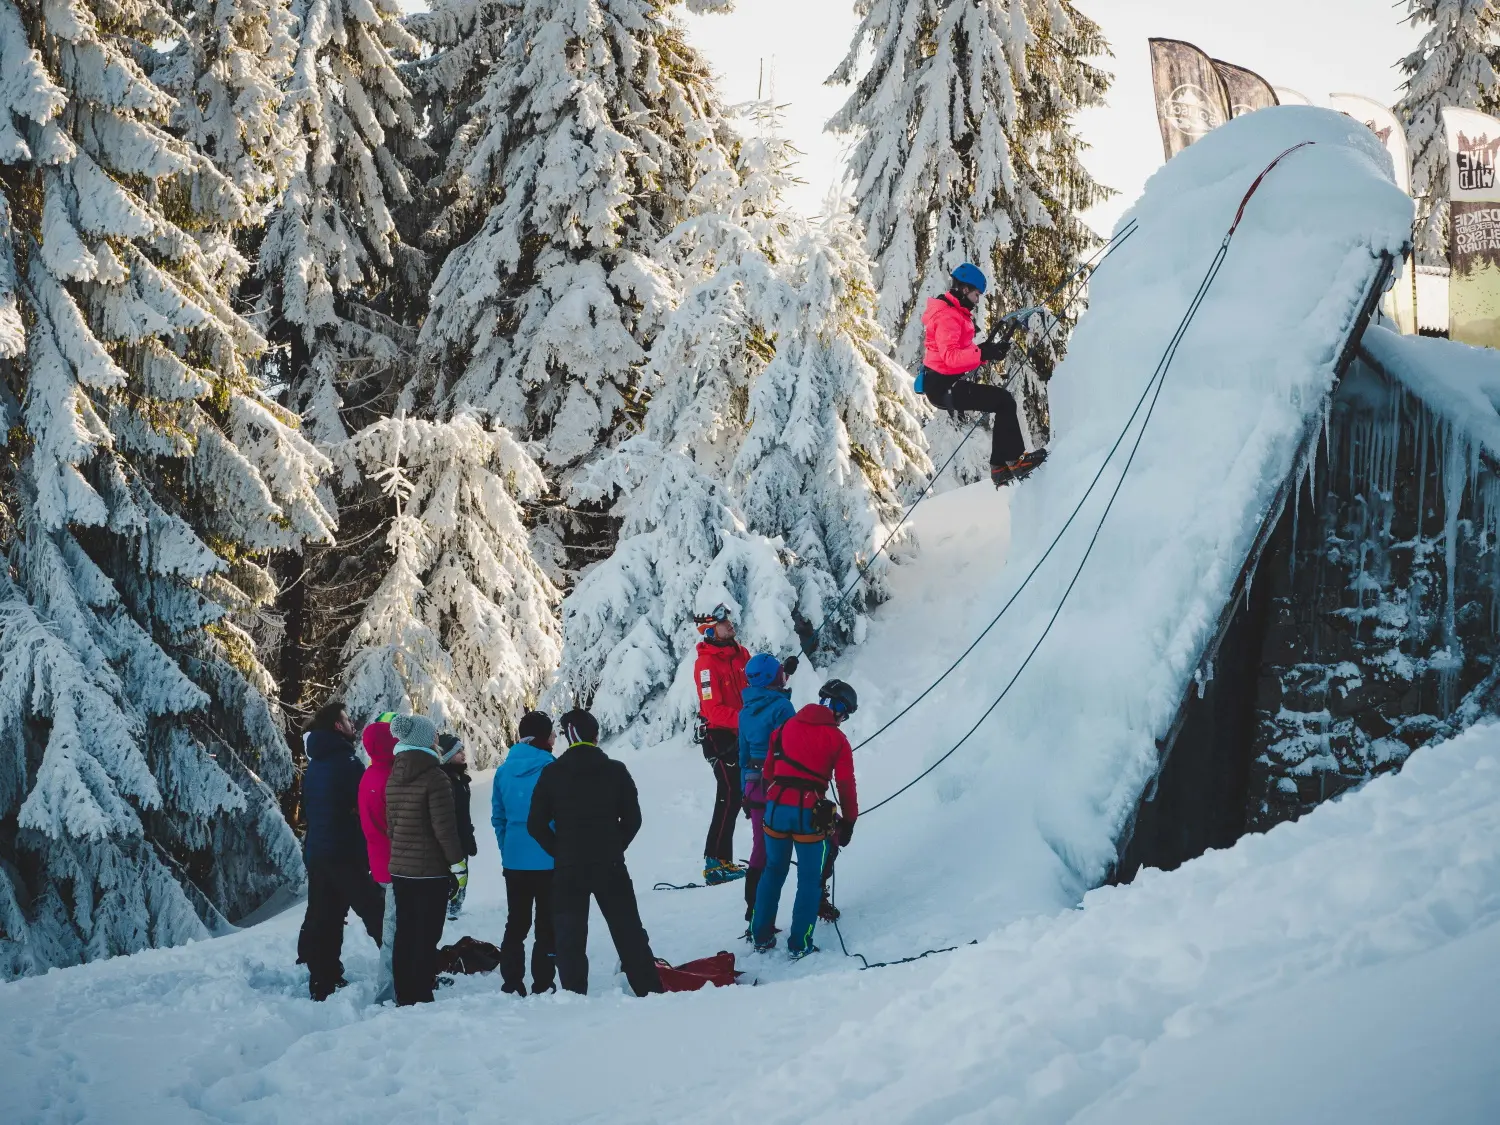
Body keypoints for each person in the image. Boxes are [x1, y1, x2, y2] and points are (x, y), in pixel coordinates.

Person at [527, 708, 663, 997]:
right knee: (628, 931)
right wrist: (615, 845)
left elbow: (535, 824)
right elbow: (633, 820)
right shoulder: (615, 770)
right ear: (596, 736)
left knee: (570, 937)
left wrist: (559, 851)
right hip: (610, 864)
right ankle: (649, 992)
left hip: (568, 867)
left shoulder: (552, 773)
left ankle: (574, 996)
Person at [750, 680, 860, 959]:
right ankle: (799, 944)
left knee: (773, 872)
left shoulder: (785, 726)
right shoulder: (837, 740)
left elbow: (769, 772)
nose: (843, 720)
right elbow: (846, 785)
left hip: (775, 809)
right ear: (838, 709)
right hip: (809, 814)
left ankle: (760, 936)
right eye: (844, 714)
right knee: (809, 880)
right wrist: (849, 821)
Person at [920, 262, 1047, 488]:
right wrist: (982, 352)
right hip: (942, 387)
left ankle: (1000, 467)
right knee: (1004, 401)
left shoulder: (952, 313)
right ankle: (1014, 461)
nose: (977, 300)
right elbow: (951, 357)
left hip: (944, 384)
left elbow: (960, 357)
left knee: (1000, 403)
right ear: (965, 289)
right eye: (977, 294)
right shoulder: (948, 316)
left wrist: (989, 353)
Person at [296, 700, 385, 1001]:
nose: (352, 725)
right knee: (378, 913)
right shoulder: (347, 763)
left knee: (327, 916)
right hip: (344, 852)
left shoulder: (316, 763)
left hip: (318, 853)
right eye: (347, 720)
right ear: (337, 726)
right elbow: (363, 807)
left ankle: (323, 981)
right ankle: (406, 971)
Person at [384, 713, 468, 1005]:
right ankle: (420, 993)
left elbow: (392, 827)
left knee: (405, 932)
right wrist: (458, 867)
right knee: (427, 933)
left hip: (401, 871)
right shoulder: (436, 778)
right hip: (430, 871)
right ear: (423, 741)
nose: (437, 741)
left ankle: (404, 992)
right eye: (434, 736)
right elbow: (445, 830)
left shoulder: (395, 776)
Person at [491, 711, 558, 996]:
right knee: (547, 923)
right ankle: (543, 983)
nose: (556, 738)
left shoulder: (504, 771)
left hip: (515, 860)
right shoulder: (553, 768)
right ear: (543, 737)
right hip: (549, 857)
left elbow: (499, 817)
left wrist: (507, 847)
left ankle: (511, 982)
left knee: (516, 922)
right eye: (552, 733)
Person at [737, 652, 798, 935]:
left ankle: (754, 913)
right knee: (787, 847)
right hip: (779, 784)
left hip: (753, 785)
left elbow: (743, 755)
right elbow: (793, 747)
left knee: (759, 848)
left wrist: (743, 793)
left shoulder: (746, 711)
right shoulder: (782, 709)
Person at [693, 603, 750, 885]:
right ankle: (714, 863)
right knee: (729, 794)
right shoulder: (706, 665)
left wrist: (782, 674)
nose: (730, 625)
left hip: (743, 735)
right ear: (709, 629)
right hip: (721, 737)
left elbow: (758, 685)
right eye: (723, 622)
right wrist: (747, 718)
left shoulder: (740, 655)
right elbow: (713, 710)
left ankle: (721, 860)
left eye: (728, 620)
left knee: (737, 795)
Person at [356, 711, 399, 1003]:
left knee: (394, 928)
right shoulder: (388, 779)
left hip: (380, 863)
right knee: (395, 932)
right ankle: (388, 991)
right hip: (396, 864)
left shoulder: (369, 775)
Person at [437, 734, 478, 921]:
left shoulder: (461, 780)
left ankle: (455, 909)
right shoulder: (445, 781)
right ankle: (447, 911)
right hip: (450, 842)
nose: (463, 754)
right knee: (452, 877)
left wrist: (469, 836)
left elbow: (464, 815)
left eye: (462, 750)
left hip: (462, 839)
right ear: (447, 756)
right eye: (458, 751)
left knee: (462, 876)